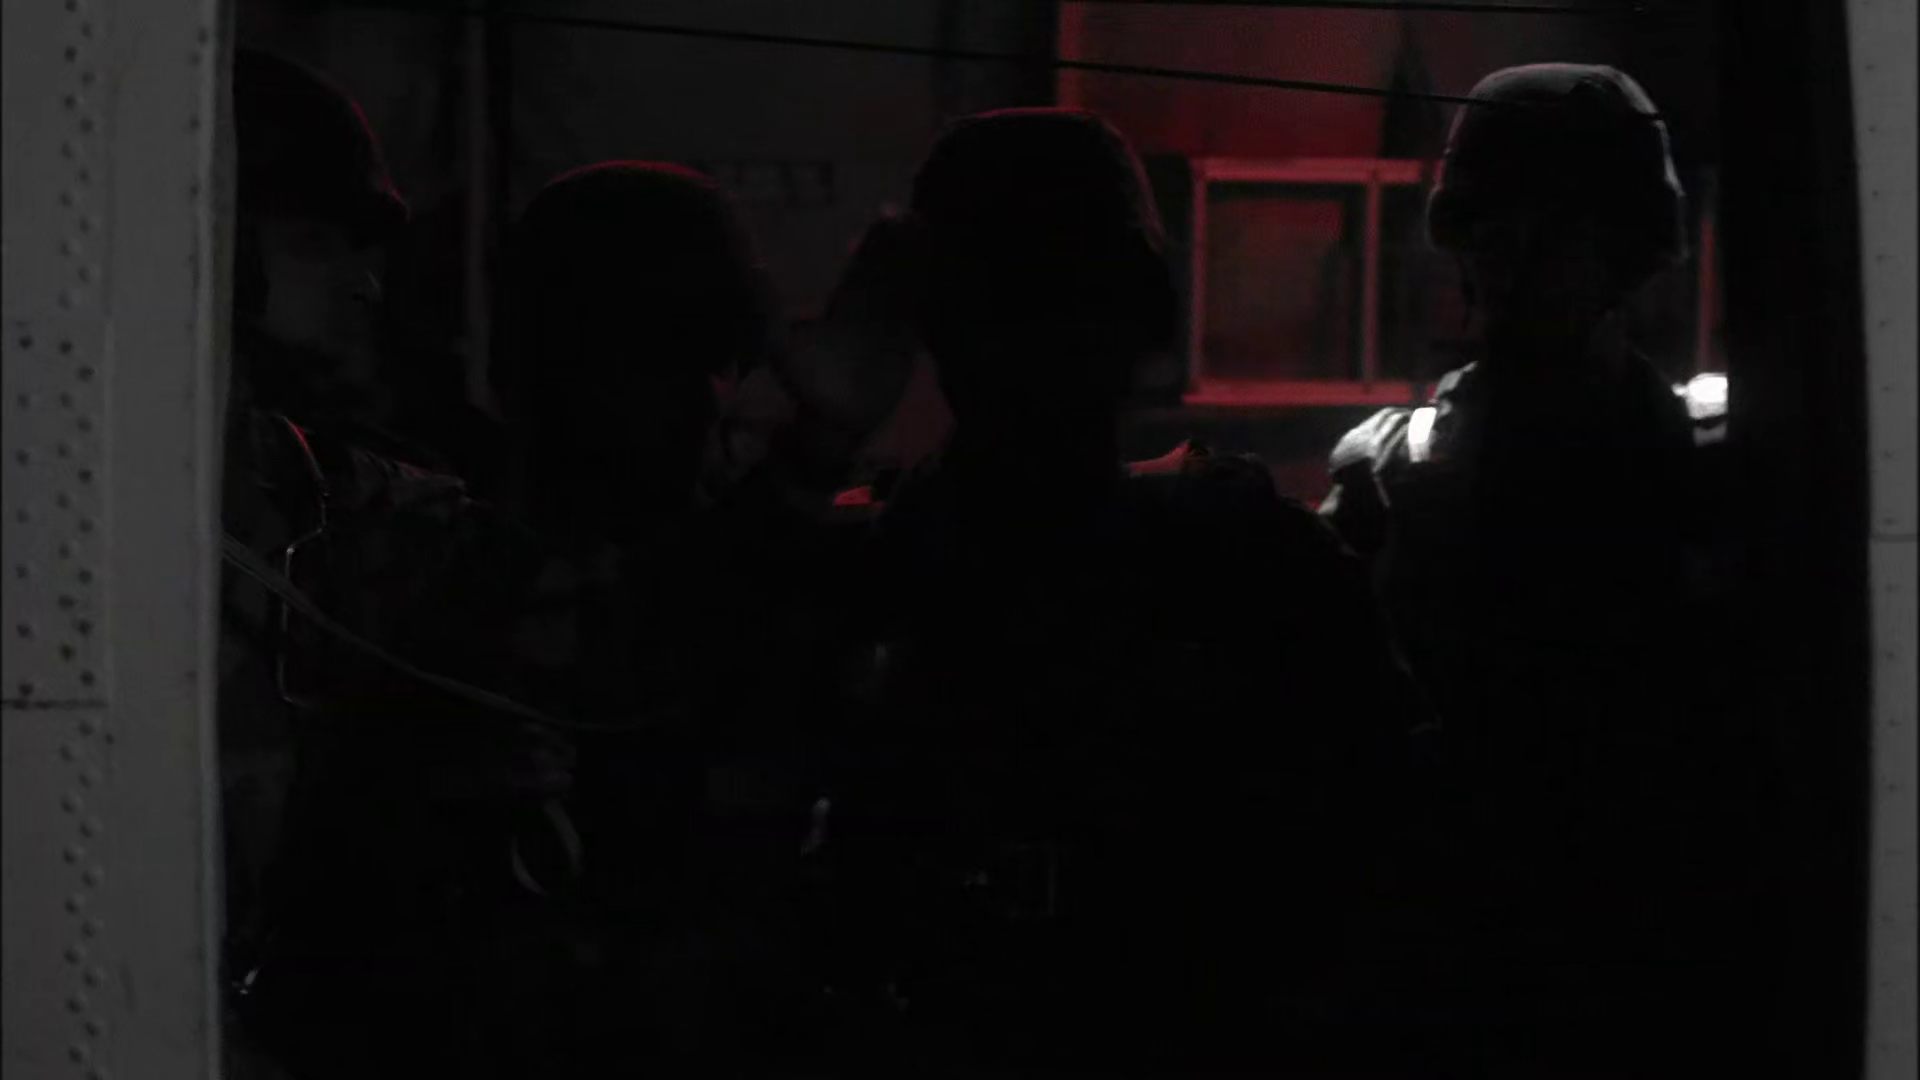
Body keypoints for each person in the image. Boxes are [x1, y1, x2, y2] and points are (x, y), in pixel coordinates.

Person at [812, 109, 1432, 1075]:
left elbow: (1387, 877)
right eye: (1001, 291)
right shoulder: (872, 567)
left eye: (1057, 287)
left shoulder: (1251, 564)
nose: (1027, 335)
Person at [1317, 63, 1728, 1072]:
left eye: (1555, 233)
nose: (1517, 262)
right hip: (1446, 967)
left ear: (1625, 249)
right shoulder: (1389, 469)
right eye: (1496, 232)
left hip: (1640, 962)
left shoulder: (1715, 465)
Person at [218, 50, 570, 1080]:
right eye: (319, 242)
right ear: (217, 241)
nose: (361, 282)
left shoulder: (329, 492)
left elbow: (577, 605)